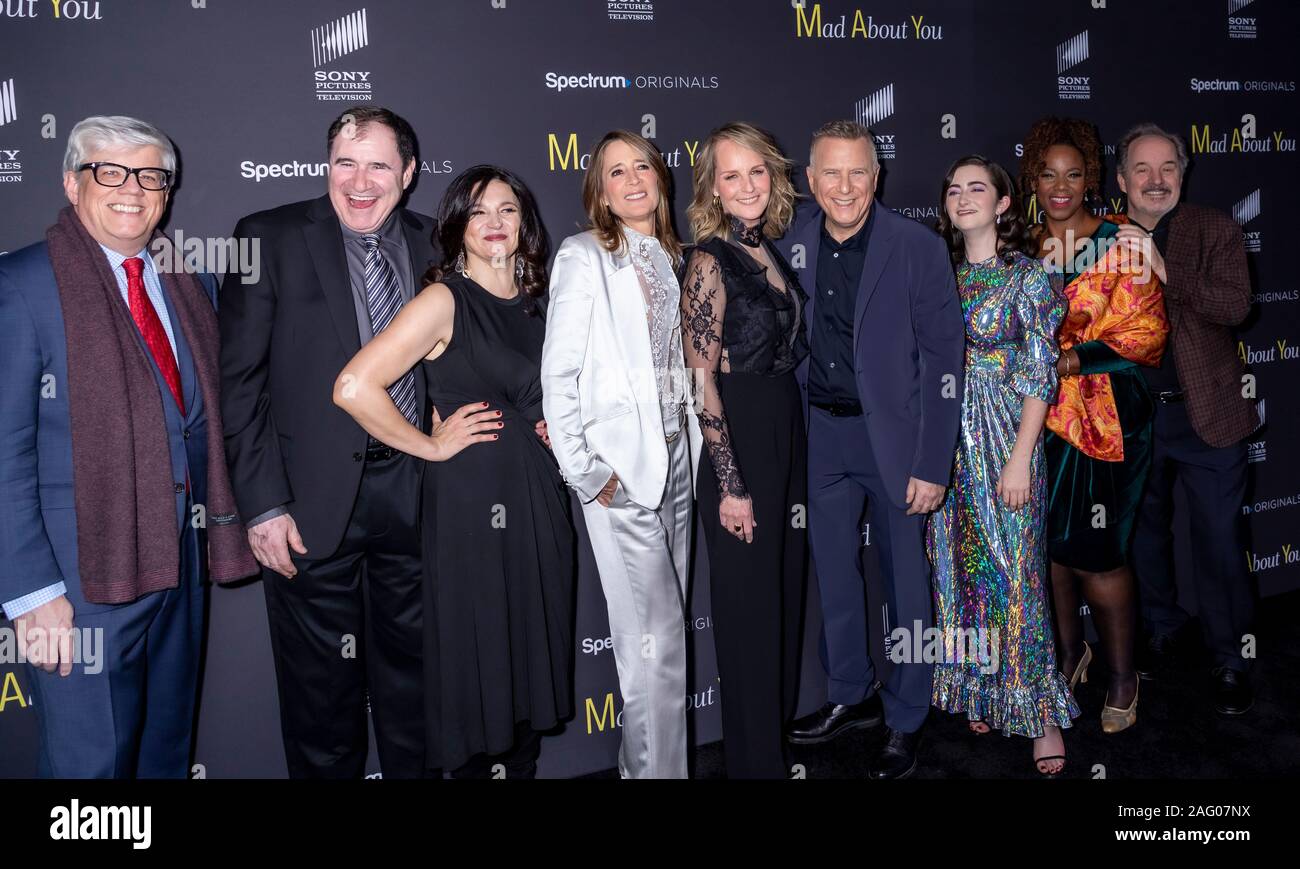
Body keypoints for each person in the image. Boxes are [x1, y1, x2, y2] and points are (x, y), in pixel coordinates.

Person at [0, 115, 257, 777]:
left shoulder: (188, 280)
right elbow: (5, 449)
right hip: (81, 579)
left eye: (149, 175)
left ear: (166, 192)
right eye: (108, 172)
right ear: (70, 182)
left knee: (163, 753)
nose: (131, 189)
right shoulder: (23, 285)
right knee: (92, 765)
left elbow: (199, 419)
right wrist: (30, 592)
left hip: (176, 567)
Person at [334, 165, 575, 778]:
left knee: (526, 654)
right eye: (478, 212)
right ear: (458, 228)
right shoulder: (443, 299)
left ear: (526, 223)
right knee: (479, 655)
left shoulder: (539, 301)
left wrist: (561, 427)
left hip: (540, 500)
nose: (494, 224)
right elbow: (354, 386)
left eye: (507, 210)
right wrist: (430, 446)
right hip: (473, 503)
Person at [220, 106, 436, 778]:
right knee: (320, 700)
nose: (361, 180)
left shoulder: (440, 244)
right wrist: (261, 505)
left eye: (378, 164)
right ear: (327, 167)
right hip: (307, 505)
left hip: (420, 495)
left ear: (408, 172)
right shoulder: (268, 237)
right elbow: (239, 383)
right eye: (346, 162)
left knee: (420, 690)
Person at [783, 120, 965, 779]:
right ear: (810, 180)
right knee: (834, 574)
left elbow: (947, 357)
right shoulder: (791, 243)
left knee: (907, 586)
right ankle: (849, 693)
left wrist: (931, 460)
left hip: (897, 440)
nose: (845, 186)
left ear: (877, 175)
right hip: (821, 435)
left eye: (858, 171)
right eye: (830, 172)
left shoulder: (916, 246)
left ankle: (907, 715)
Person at [541, 130, 701, 779]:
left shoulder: (674, 255)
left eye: (642, 166)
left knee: (660, 648)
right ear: (599, 191)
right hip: (622, 478)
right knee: (656, 649)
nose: (633, 179)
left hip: (679, 465)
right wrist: (585, 470)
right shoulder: (583, 256)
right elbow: (559, 373)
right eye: (616, 172)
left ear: (660, 178)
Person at [927, 155, 1077, 776]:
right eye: (954, 188)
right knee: (962, 572)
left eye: (977, 188)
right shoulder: (941, 275)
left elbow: (1042, 374)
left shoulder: (1026, 278)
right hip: (947, 442)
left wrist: (1021, 459)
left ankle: (1040, 715)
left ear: (1004, 203)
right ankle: (983, 687)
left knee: (1017, 575)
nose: (964, 197)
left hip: (1008, 438)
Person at [1020, 116, 1168, 734]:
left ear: (1092, 178)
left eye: (1074, 174)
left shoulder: (1121, 242)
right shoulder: (1021, 244)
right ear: (1033, 178)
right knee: (1049, 550)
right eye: (1049, 174)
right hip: (1034, 420)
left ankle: (1122, 674)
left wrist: (1072, 358)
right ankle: (1065, 653)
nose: (1061, 186)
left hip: (1105, 420)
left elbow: (1146, 335)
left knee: (1100, 555)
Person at [1115, 123, 1259, 715]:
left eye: (1167, 168)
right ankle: (1163, 630)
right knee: (1144, 538)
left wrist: (1163, 266)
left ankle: (1230, 658)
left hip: (1208, 420)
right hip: (1136, 419)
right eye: (1142, 170)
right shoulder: (1097, 238)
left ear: (1183, 172)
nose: (1155, 181)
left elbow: (1235, 307)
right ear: (1122, 180)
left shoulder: (1214, 229)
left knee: (1220, 544)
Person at [679, 122, 808, 779]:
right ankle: (754, 765)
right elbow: (701, 378)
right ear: (714, 188)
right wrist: (730, 483)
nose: (748, 184)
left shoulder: (769, 251)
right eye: (732, 175)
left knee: (781, 602)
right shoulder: (710, 259)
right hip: (739, 440)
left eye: (757, 170)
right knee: (750, 615)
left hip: (785, 429)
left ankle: (773, 753)